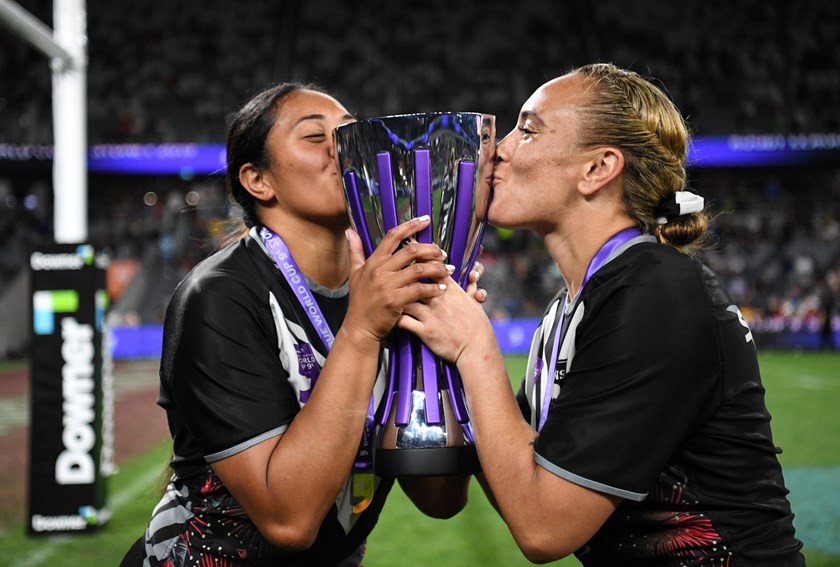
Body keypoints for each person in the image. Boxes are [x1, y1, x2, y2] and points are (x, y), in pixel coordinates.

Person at [400, 63, 805, 565]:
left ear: (597, 169)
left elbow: (543, 527)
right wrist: (424, 350)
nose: (498, 149)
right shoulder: (569, 310)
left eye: (526, 130)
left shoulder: (657, 290)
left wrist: (473, 346)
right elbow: (493, 485)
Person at [126, 82, 469, 566]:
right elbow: (289, 520)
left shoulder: (390, 287)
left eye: (349, 132)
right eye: (315, 137)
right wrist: (362, 330)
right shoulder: (221, 296)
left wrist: (437, 357)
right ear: (257, 180)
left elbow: (440, 498)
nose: (344, 146)